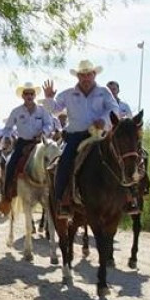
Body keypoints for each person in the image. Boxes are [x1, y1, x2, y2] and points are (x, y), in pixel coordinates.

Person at [43, 59, 119, 219]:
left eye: (88, 75)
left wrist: (104, 121)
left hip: (98, 135)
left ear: (94, 75)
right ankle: (61, 200)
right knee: (64, 162)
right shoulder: (69, 93)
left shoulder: (104, 92)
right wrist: (49, 98)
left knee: (120, 158)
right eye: (82, 75)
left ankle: (127, 197)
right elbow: (55, 110)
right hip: (76, 136)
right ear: (78, 76)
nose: (86, 78)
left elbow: (114, 110)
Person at [0, 82, 54, 215]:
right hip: (22, 143)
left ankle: (57, 196)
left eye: (31, 93)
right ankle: (6, 198)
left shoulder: (42, 110)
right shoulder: (16, 111)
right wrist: (6, 137)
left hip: (40, 143)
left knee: (53, 162)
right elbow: (7, 128)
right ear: (22, 96)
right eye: (26, 93)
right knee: (10, 165)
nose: (29, 96)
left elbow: (49, 124)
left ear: (34, 95)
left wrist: (44, 132)